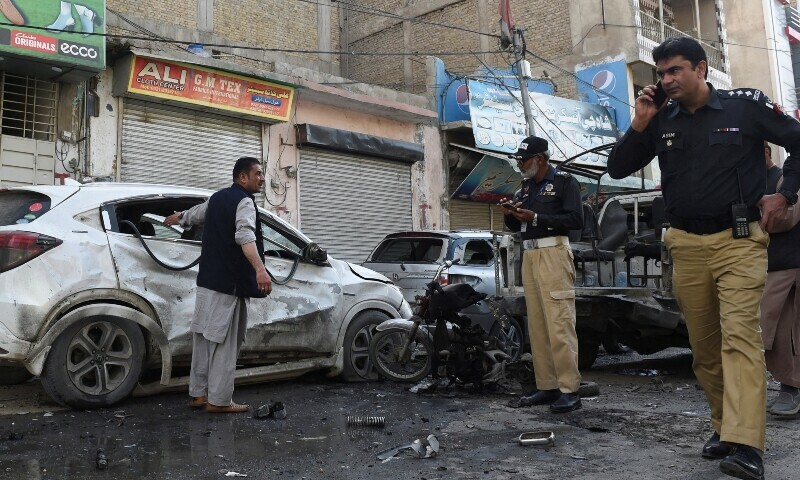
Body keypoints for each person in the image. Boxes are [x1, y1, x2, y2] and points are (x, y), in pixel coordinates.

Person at [607, 36, 800, 480]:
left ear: (701, 68)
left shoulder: (745, 106)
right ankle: (725, 428)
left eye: (675, 70)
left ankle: (748, 444)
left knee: (740, 341)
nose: (667, 80)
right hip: (686, 246)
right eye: (661, 73)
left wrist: (785, 194)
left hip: (739, 243)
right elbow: (618, 168)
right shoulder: (660, 118)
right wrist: (639, 123)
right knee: (705, 349)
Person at [164, 157, 272, 413]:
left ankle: (199, 395)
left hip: (207, 282)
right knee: (225, 342)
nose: (262, 178)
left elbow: (196, 214)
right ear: (242, 177)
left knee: (203, 338)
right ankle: (220, 401)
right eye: (257, 173)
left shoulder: (218, 197)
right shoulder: (244, 202)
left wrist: (178, 218)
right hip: (228, 285)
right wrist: (260, 270)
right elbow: (244, 235)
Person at [500, 135, 584, 413]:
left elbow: (575, 220)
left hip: (554, 254)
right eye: (518, 160)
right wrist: (511, 214)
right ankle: (547, 386)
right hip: (530, 255)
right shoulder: (525, 187)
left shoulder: (564, 183)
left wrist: (536, 218)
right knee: (537, 325)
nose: (520, 165)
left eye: (523, 160)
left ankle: (569, 390)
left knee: (559, 323)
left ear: (541, 159)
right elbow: (516, 227)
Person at [760, 168, 800, 417]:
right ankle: (789, 387)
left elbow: (785, 217)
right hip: (774, 263)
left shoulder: (790, 173)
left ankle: (792, 388)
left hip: (790, 262)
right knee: (773, 330)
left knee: (789, 329)